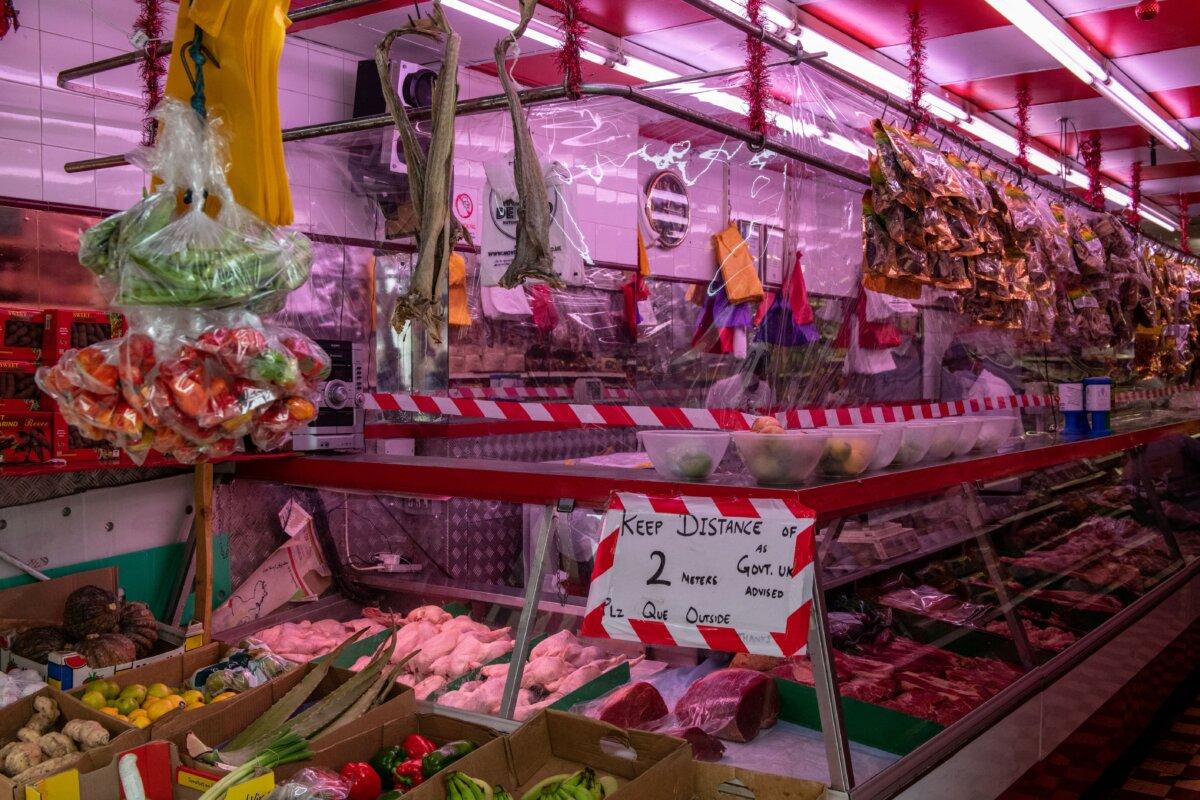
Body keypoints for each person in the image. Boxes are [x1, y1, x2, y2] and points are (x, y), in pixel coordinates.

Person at [940, 343, 1022, 435]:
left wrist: (959, 439)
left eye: (961, 367)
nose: (957, 372)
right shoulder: (969, 388)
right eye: (953, 369)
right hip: (979, 446)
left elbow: (994, 431)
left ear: (978, 364)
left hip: (1002, 448)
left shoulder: (996, 388)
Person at [706, 345, 775, 412]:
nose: (751, 377)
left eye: (756, 372)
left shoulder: (765, 390)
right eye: (748, 370)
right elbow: (709, 415)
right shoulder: (719, 388)